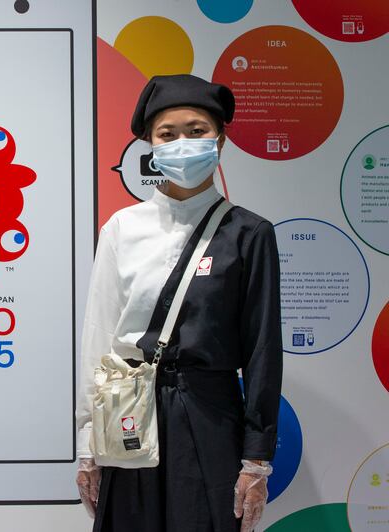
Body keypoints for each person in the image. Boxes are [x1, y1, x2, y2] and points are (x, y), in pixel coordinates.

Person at [76, 74, 282, 532]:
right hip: (129, 414)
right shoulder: (121, 229)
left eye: (197, 130)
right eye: (168, 134)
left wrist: (256, 459)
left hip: (212, 416)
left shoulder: (249, 234)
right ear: (150, 145)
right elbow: (99, 339)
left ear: (221, 140)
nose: (183, 143)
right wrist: (88, 445)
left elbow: (263, 351)